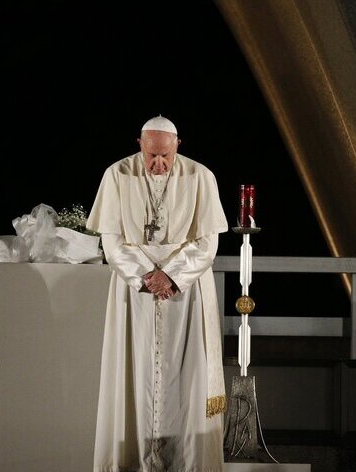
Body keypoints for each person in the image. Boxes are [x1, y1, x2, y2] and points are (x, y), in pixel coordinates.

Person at [87, 115, 228, 472]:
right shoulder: (116, 175)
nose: (159, 164)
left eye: (166, 156)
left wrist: (172, 275)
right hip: (136, 294)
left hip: (186, 293)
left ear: (178, 146)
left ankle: (187, 464)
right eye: (151, 156)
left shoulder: (201, 177)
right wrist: (147, 276)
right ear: (140, 145)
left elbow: (208, 243)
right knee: (132, 377)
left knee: (188, 378)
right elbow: (111, 240)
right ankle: (131, 461)